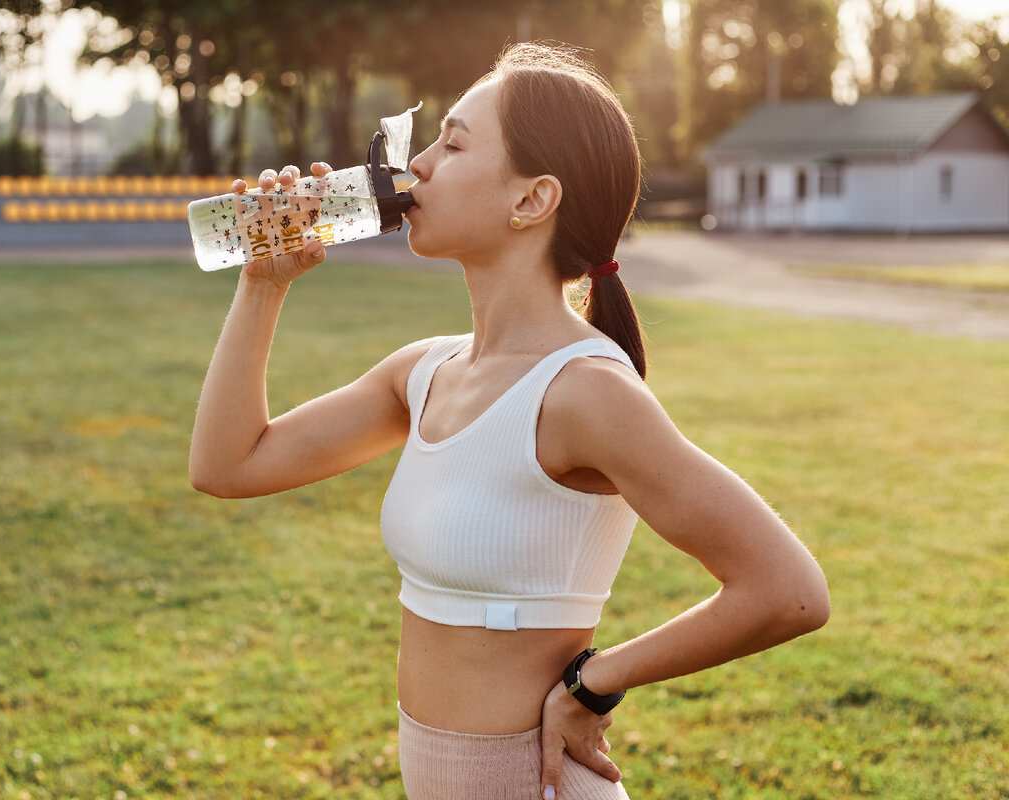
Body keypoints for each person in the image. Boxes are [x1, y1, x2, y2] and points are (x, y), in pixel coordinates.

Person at [190, 41, 830, 800]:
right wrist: (263, 283)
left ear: (532, 200)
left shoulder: (586, 393)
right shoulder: (422, 374)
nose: (417, 166)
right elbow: (228, 467)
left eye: (453, 143)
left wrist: (597, 683)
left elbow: (788, 590)